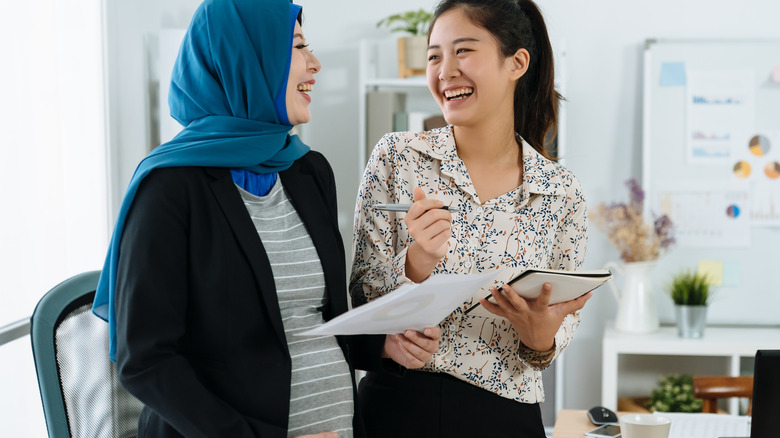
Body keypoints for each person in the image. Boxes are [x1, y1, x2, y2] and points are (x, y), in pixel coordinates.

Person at [91, 0, 440, 437]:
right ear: (246, 60)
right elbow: (145, 361)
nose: (315, 64)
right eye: (296, 48)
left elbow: (316, 317)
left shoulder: (307, 170)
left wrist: (381, 344)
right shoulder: (168, 188)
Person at [349, 0, 591, 436]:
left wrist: (539, 336)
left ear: (516, 63)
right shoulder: (397, 157)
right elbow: (360, 297)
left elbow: (554, 335)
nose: (445, 71)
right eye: (434, 55)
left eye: (463, 51)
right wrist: (417, 260)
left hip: (505, 417)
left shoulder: (560, 191)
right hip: (396, 408)